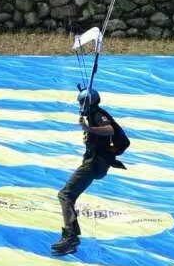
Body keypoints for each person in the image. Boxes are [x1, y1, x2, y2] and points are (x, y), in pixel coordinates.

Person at [54, 87, 130, 257]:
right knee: (69, 196)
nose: (80, 106)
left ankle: (70, 237)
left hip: (95, 163)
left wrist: (89, 129)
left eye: (81, 102)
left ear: (87, 102)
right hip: (97, 163)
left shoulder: (97, 114)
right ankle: (71, 231)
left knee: (65, 194)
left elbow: (109, 129)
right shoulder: (93, 115)